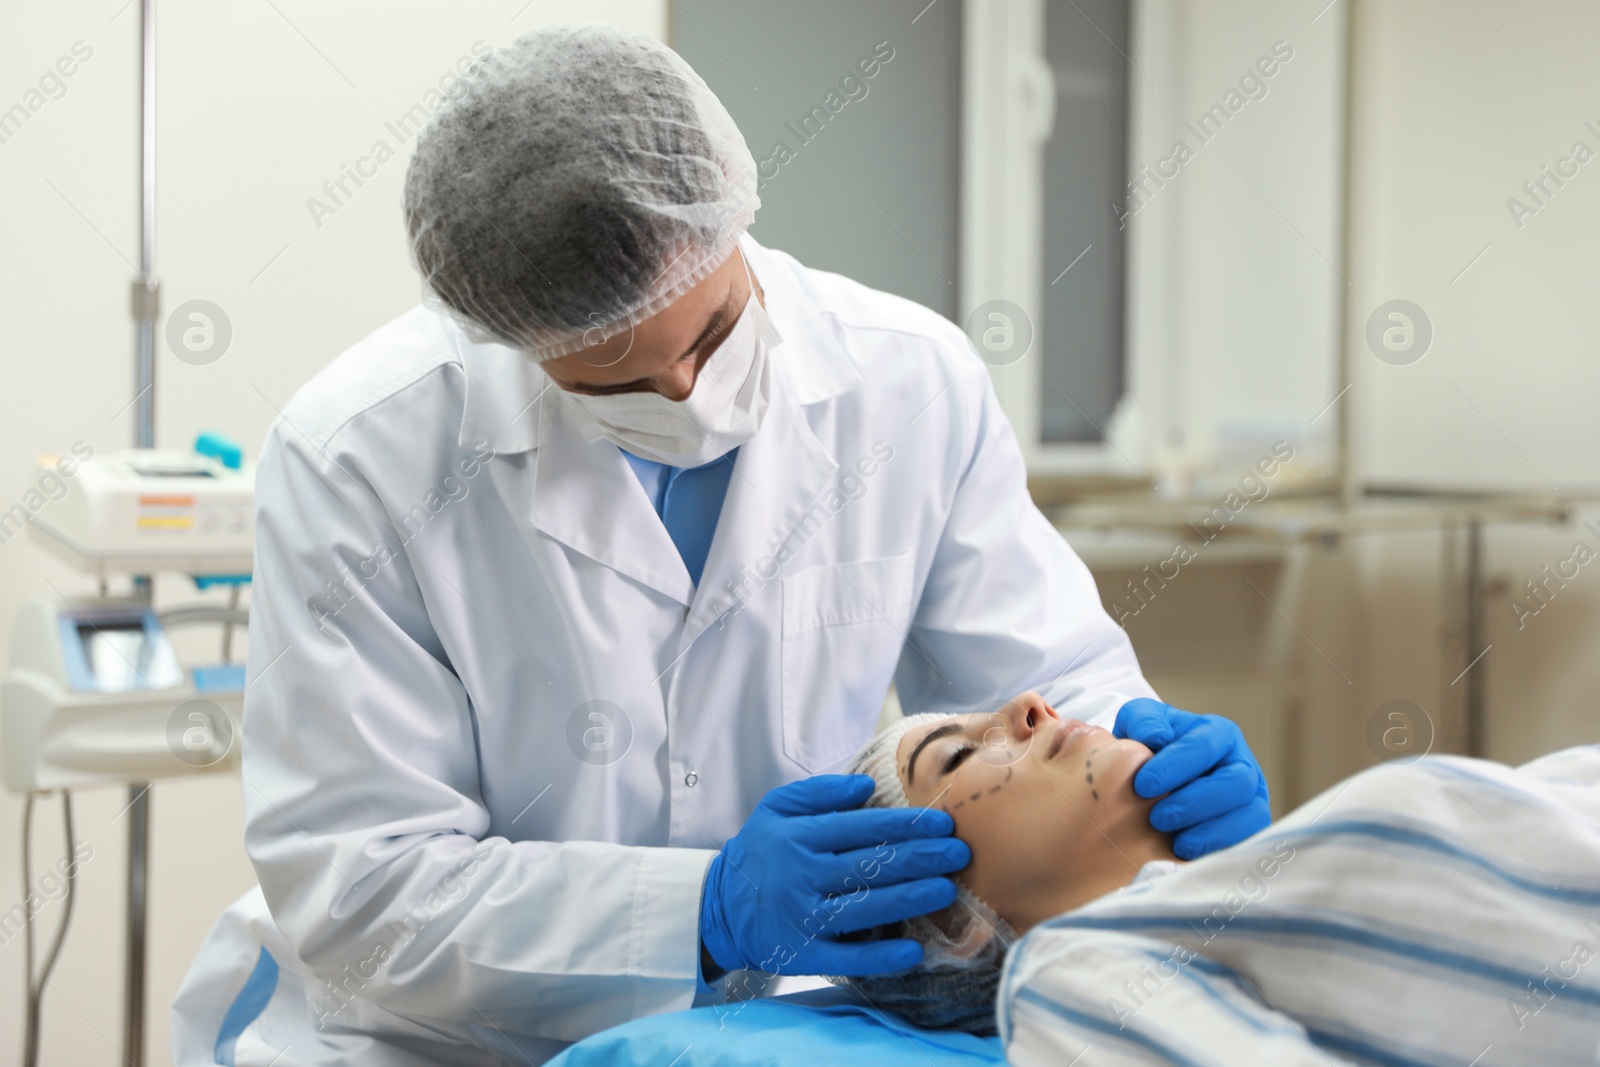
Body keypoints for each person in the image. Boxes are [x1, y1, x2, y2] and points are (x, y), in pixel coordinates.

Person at [172, 23, 1269, 1066]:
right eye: (617, 381)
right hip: (423, 1035)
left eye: (708, 333)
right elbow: (362, 886)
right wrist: (702, 910)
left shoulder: (906, 382)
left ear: (730, 214)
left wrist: (1145, 760)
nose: (687, 394)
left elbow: (1041, 683)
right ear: (508, 338)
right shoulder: (363, 454)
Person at [837, 693, 1600, 1065]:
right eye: (958, 756)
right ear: (953, 923)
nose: (1030, 705)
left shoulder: (1250, 898)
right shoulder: (1069, 974)